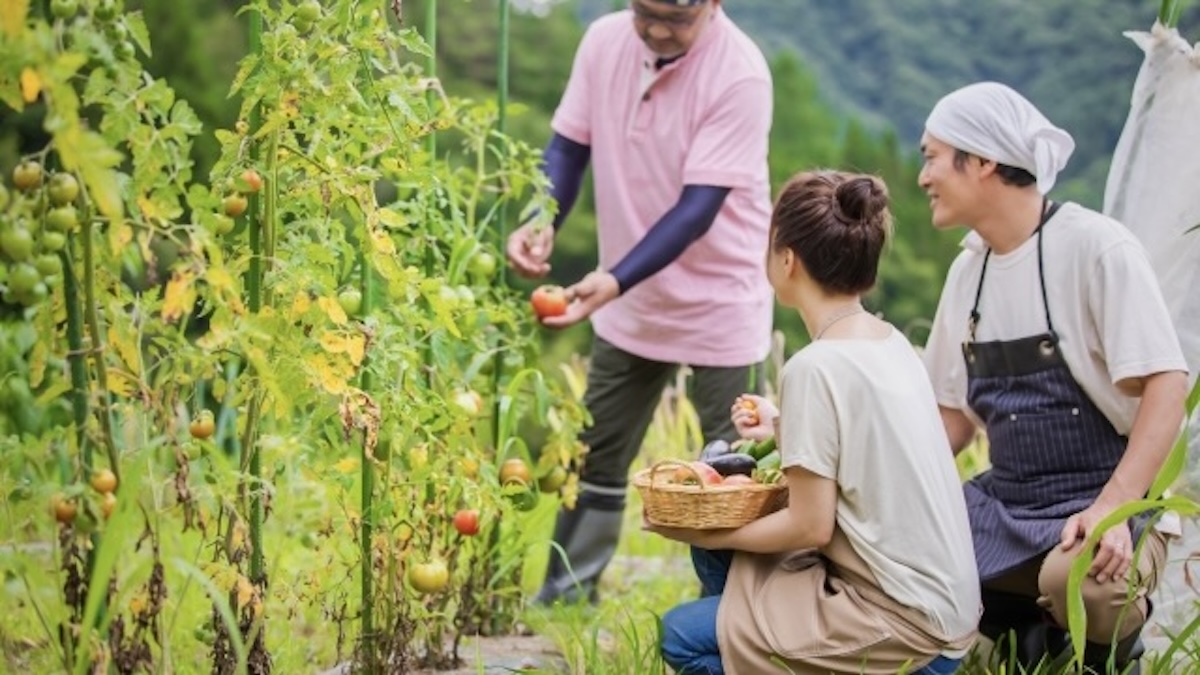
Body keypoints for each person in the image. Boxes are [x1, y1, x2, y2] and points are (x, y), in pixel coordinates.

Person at [649, 170, 981, 675]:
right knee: (729, 569)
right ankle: (773, 646)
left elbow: (810, 525)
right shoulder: (889, 343)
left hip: (903, 626)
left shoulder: (813, 367)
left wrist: (709, 535)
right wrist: (783, 424)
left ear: (786, 259)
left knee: (681, 636)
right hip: (946, 611)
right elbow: (863, 446)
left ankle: (778, 652)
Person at [505, 0, 775, 605]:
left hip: (719, 302)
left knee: (732, 467)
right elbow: (568, 148)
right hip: (629, 297)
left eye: (675, 19)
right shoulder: (603, 42)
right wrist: (541, 217)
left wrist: (615, 278)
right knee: (594, 451)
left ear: (712, 5)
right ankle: (567, 594)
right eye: (644, 11)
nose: (655, 29)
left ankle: (743, 608)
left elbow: (698, 207)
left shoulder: (740, 74)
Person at [918, 81, 1190, 671]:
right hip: (1009, 501)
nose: (924, 177)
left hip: (1105, 501)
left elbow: (1168, 387)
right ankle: (1018, 628)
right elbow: (950, 423)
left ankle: (1110, 654)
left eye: (932, 156)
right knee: (901, 544)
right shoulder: (967, 274)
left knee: (1084, 581)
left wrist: (1114, 510)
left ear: (983, 160)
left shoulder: (1095, 248)